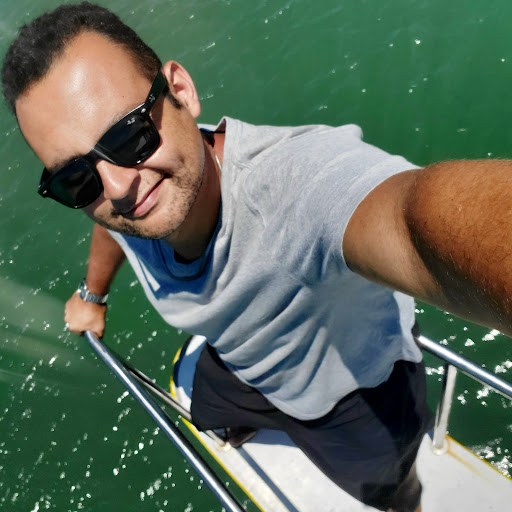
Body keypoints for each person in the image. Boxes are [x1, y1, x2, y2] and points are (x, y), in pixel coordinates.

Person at [3, 3, 512, 511]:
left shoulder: (294, 187)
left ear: (181, 90)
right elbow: (112, 227)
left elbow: (411, 220)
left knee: (390, 493)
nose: (117, 189)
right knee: (206, 408)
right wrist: (93, 295)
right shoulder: (131, 193)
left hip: (351, 399)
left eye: (129, 135)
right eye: (76, 179)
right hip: (245, 366)